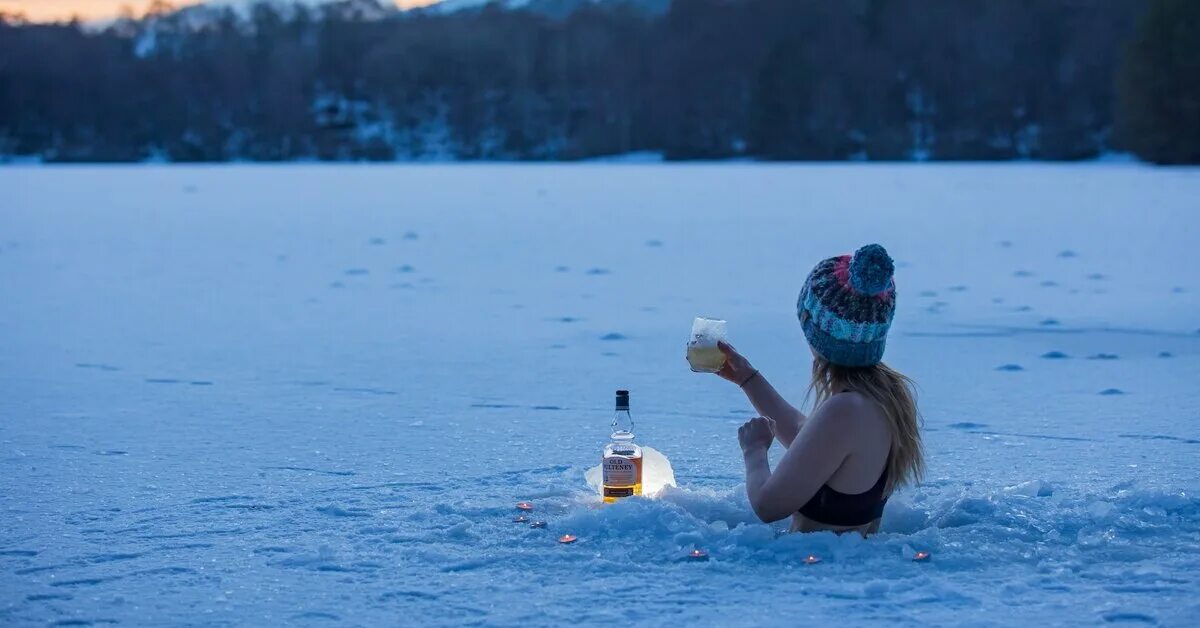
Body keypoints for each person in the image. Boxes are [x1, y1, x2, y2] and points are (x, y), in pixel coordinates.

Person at [716, 244, 924, 535]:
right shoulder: (883, 398)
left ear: (814, 327)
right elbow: (812, 442)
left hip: (817, 571)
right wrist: (748, 379)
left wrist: (754, 450)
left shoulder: (846, 410)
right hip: (842, 566)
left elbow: (768, 506)